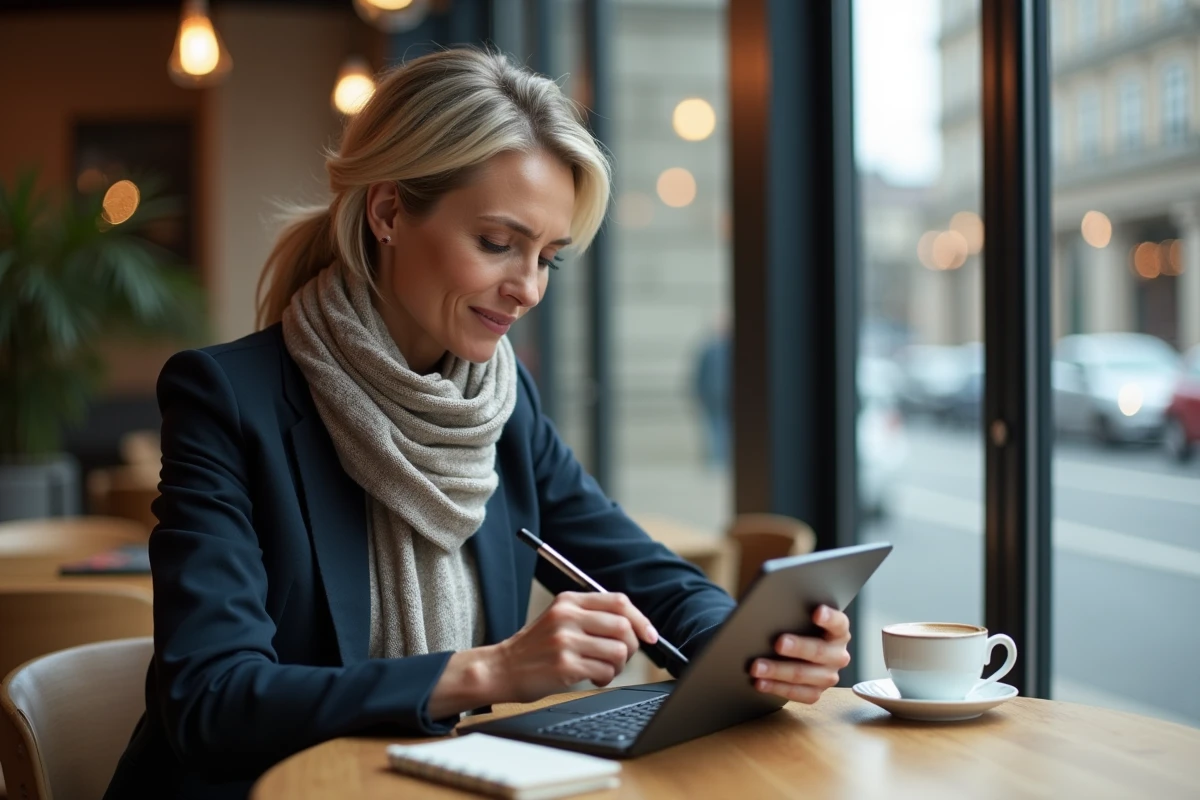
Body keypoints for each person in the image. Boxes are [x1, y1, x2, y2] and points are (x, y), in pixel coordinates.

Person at [104, 48, 852, 799]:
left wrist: (759, 647)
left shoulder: (501, 400)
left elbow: (650, 577)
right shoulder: (229, 399)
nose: (526, 288)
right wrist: (493, 671)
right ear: (389, 211)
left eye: (547, 259)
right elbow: (212, 701)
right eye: (498, 244)